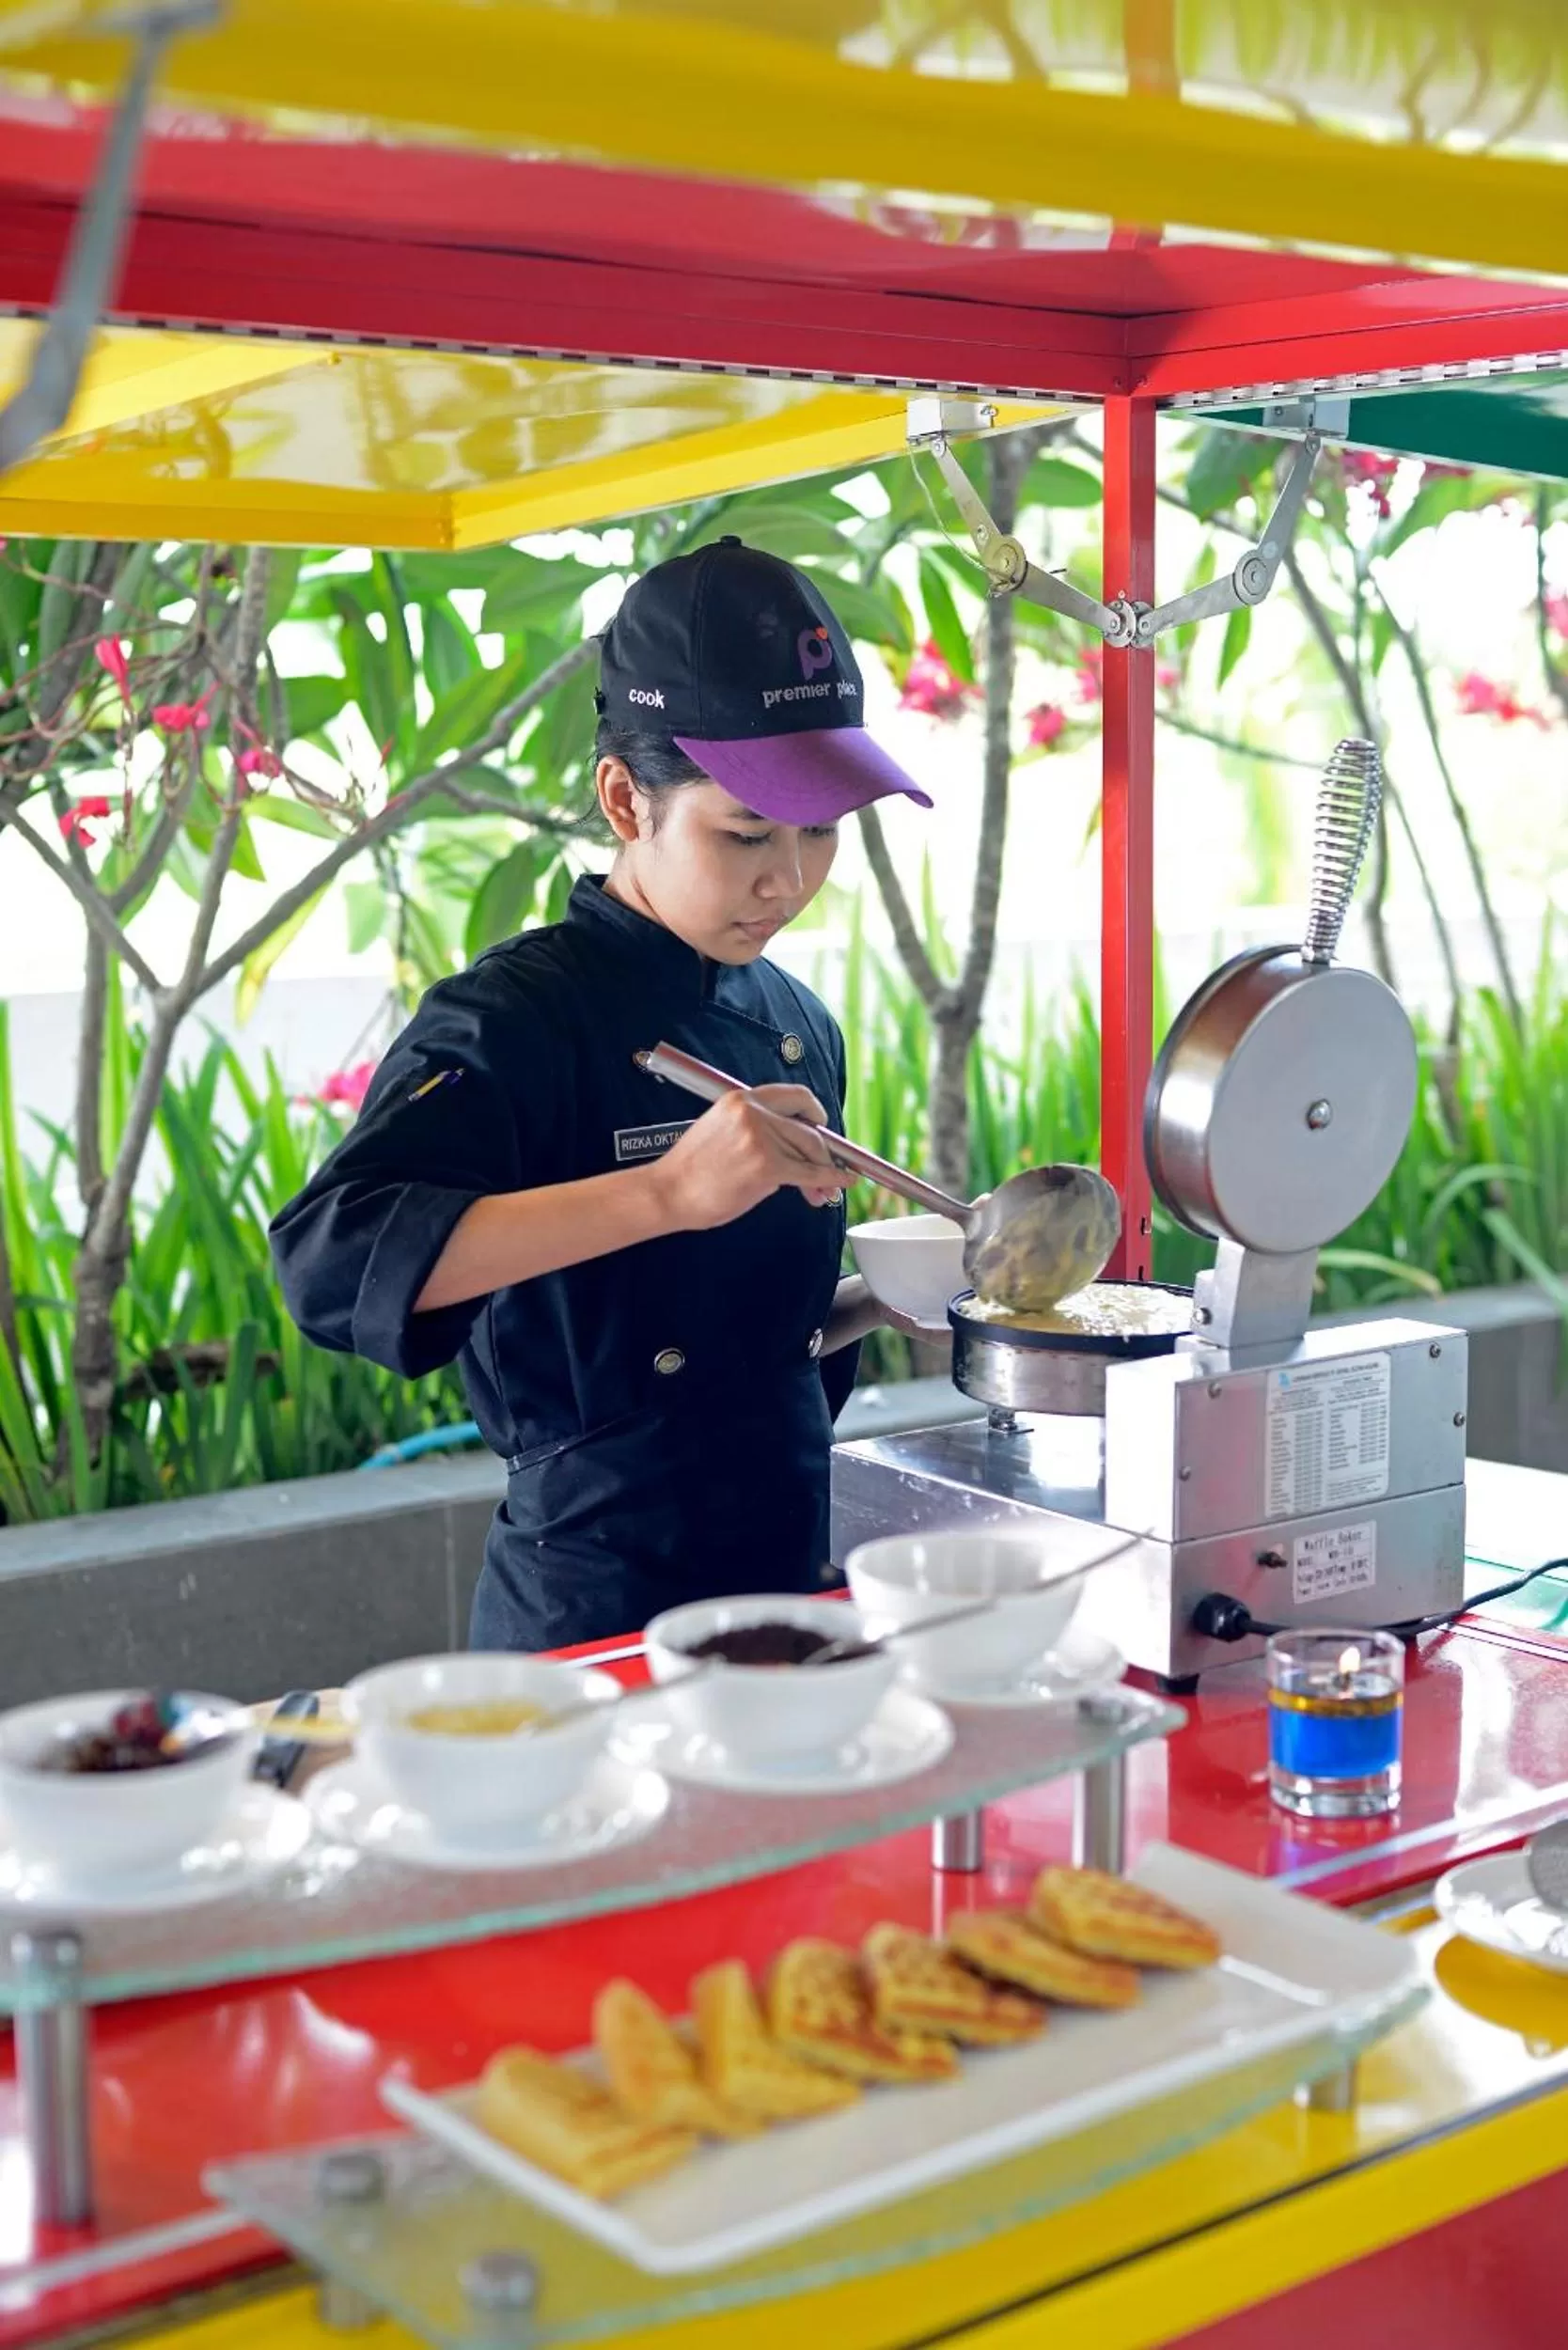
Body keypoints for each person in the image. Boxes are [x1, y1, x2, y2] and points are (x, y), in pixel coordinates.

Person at [270, 538, 933, 1651]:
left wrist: (882, 1300)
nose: (789, 878)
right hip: (596, 1608)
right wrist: (666, 1191)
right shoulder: (514, 1017)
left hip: (788, 1576)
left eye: (822, 829)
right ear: (626, 800)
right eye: (746, 830)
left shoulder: (796, 1021)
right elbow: (331, 1262)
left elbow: (744, 1342)